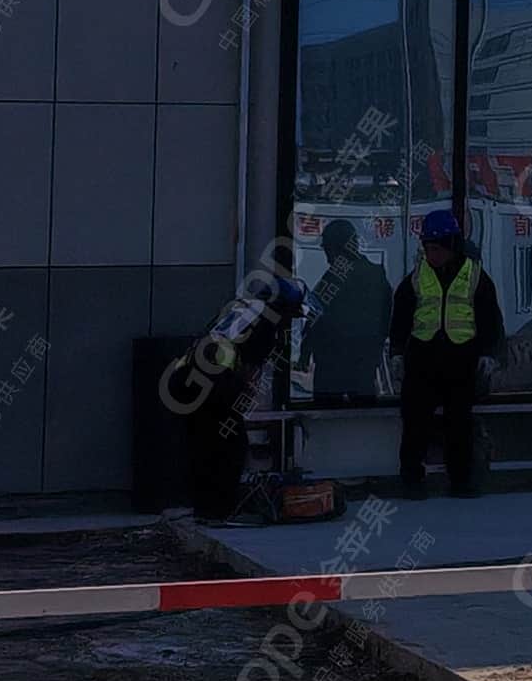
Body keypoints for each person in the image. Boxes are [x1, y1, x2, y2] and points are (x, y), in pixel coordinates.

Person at [392, 208, 503, 498]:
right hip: (422, 358)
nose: (432, 254)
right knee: (415, 421)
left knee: (459, 423)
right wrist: (397, 353)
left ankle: (460, 480)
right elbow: (401, 317)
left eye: (437, 248)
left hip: (461, 358)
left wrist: (488, 354)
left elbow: (490, 319)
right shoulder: (417, 278)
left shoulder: (475, 277)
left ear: (452, 245)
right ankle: (412, 480)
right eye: (428, 248)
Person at [184, 270, 306, 519]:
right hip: (218, 384)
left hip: (193, 379)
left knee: (206, 445)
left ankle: (205, 508)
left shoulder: (242, 308)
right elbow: (249, 371)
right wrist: (244, 401)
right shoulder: (265, 325)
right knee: (231, 448)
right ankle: (220, 511)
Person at [307, 219, 390, 402]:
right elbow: (387, 319)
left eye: (327, 248)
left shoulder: (335, 277)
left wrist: (306, 353)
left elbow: (314, 316)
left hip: (332, 370)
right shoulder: (376, 274)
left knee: (326, 414)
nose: (327, 255)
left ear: (336, 248)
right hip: (363, 367)